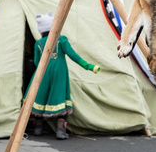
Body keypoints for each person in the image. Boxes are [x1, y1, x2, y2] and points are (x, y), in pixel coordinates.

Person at [24, 12, 100, 140]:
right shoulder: (61, 40)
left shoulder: (39, 44)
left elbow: (37, 62)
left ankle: (38, 128)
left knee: (40, 96)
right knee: (59, 98)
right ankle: (60, 130)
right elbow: (74, 56)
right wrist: (89, 66)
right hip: (59, 73)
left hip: (42, 73)